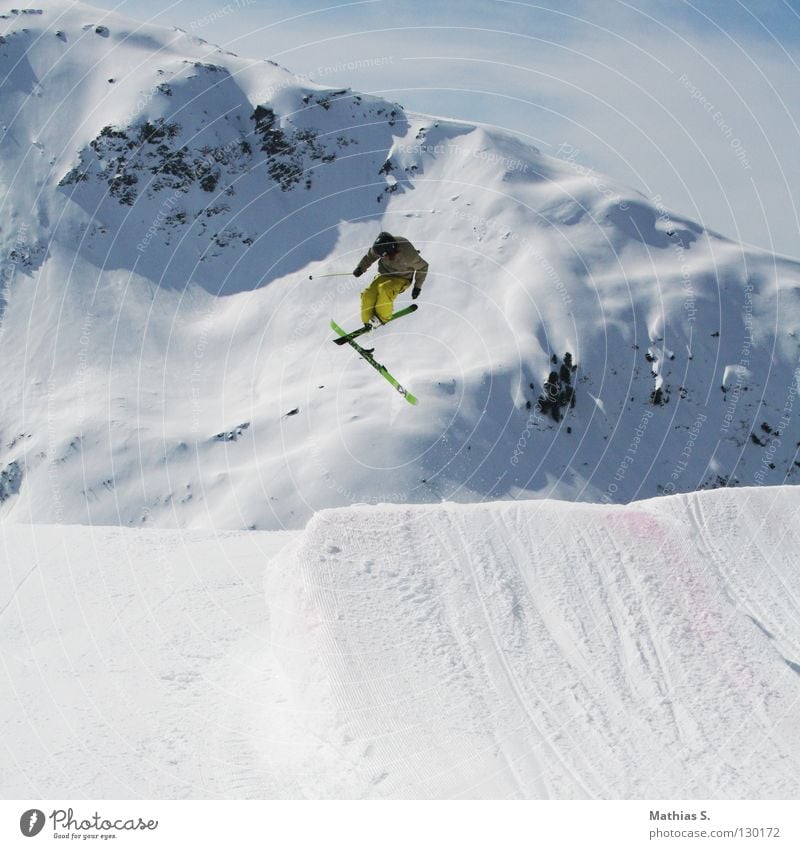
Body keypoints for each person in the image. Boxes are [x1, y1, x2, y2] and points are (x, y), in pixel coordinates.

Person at [353, 232, 428, 328]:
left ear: (392, 251)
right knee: (368, 294)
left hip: (402, 278)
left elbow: (423, 267)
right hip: (385, 274)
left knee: (385, 289)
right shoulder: (380, 247)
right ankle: (367, 323)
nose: (383, 257)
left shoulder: (408, 255)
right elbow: (370, 256)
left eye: (384, 255)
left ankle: (382, 318)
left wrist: (417, 287)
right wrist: (360, 268)